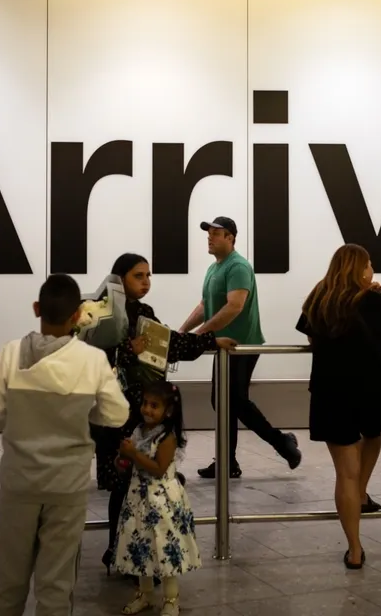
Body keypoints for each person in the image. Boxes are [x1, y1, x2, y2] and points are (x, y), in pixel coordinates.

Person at [0, 274, 130, 616]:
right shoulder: (91, 360)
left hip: (19, 482)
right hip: (67, 485)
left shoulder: (10, 353)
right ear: (79, 315)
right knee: (56, 585)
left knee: (7, 581)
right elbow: (116, 415)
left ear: (36, 308)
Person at [94, 253, 236, 574]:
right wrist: (129, 350)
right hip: (114, 412)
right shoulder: (99, 315)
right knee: (122, 484)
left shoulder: (144, 312)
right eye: (138, 276)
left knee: (141, 481)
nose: (145, 283)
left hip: (143, 413)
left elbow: (168, 344)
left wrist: (210, 341)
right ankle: (118, 552)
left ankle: (136, 557)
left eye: (148, 276)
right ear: (120, 279)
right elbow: (89, 355)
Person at [296, 244, 381, 570]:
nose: (371, 269)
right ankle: (364, 491)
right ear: (360, 269)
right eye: (369, 264)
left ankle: (354, 549)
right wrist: (377, 296)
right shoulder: (374, 300)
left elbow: (310, 333)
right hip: (371, 387)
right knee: (373, 433)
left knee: (345, 474)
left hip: (331, 391)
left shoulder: (319, 298)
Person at [179, 216, 302, 479]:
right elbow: (204, 305)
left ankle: (282, 442)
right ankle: (228, 461)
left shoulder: (238, 267)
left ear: (231, 238)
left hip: (241, 346)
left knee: (233, 401)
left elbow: (235, 306)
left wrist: (200, 334)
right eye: (208, 234)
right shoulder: (215, 268)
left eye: (216, 233)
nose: (210, 238)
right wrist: (183, 331)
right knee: (223, 401)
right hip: (222, 345)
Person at [114, 382, 200, 616]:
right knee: (141, 547)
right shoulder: (139, 430)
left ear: (168, 411)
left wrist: (134, 454)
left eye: (154, 405)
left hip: (161, 502)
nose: (147, 409)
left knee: (162, 546)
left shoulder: (166, 437)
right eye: (145, 403)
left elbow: (159, 469)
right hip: (138, 499)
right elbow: (130, 462)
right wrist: (123, 460)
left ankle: (171, 599)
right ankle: (145, 595)